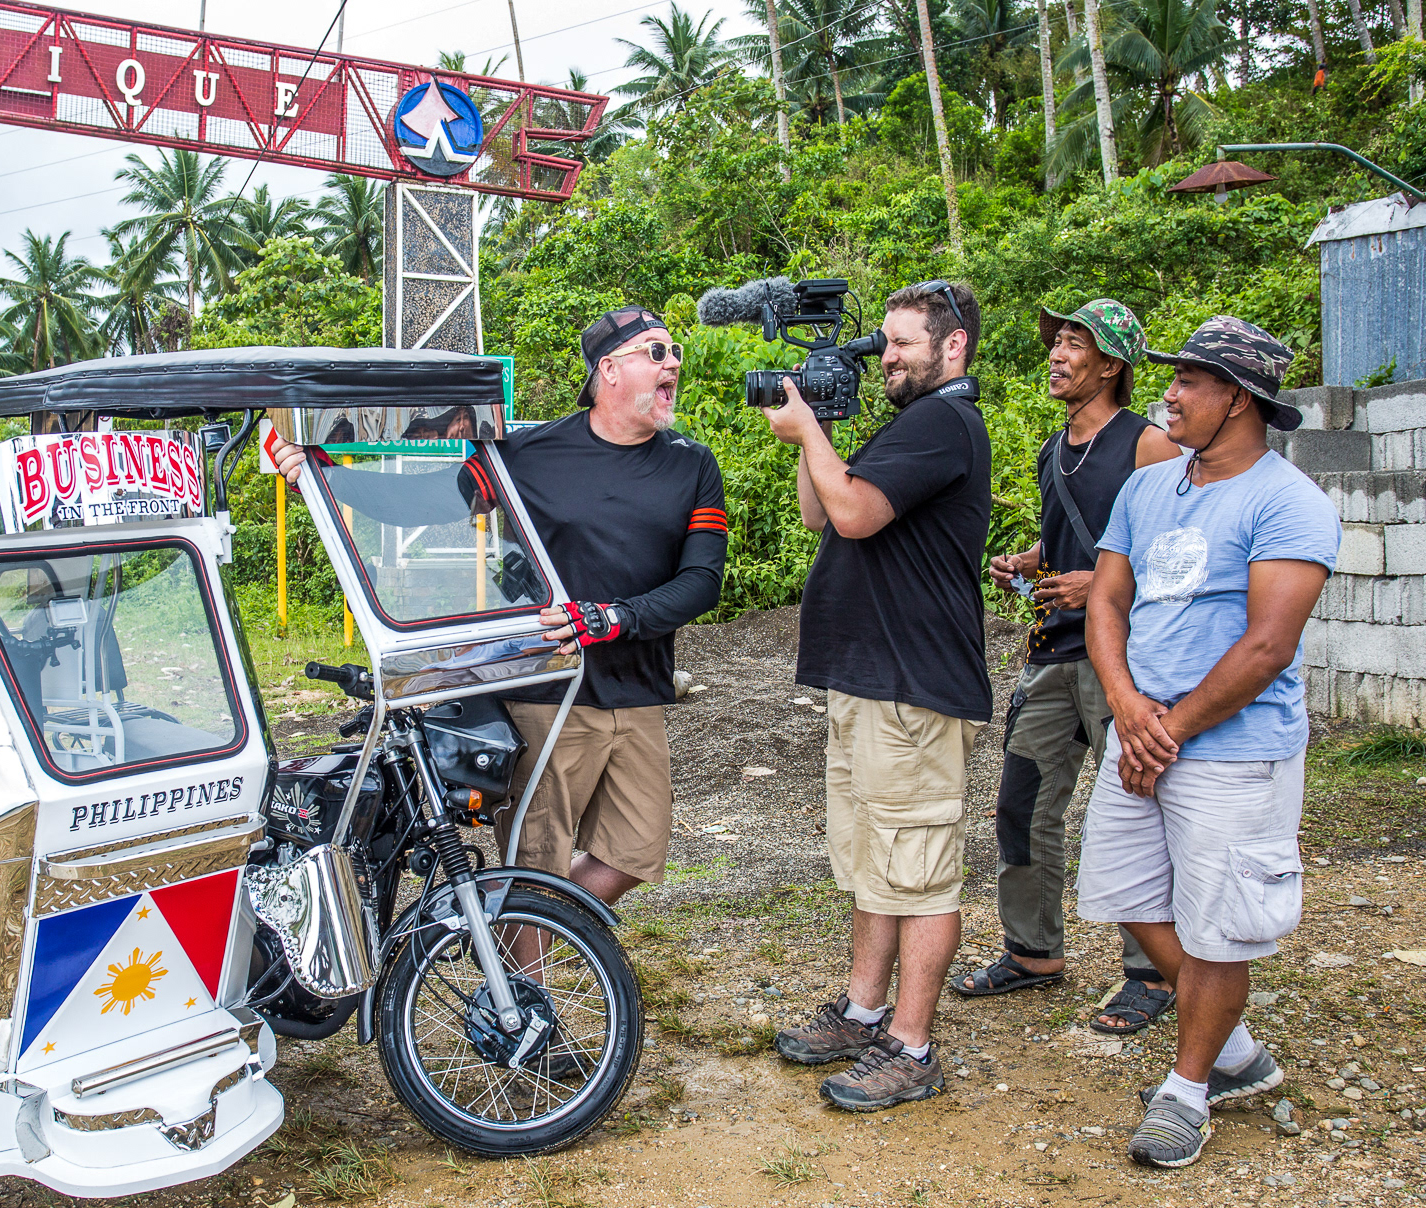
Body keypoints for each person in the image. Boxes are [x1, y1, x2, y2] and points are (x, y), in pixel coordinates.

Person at [273, 307, 727, 906]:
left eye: (674, 353)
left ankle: (546, 927)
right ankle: (521, 993)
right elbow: (429, 500)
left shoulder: (691, 463)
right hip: (550, 690)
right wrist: (326, 478)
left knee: (634, 853)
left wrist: (613, 618)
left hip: (640, 689)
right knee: (535, 859)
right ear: (609, 370)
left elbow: (701, 581)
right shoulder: (531, 453)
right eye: (657, 352)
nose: (674, 363)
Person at [1078, 316, 1338, 1169]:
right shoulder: (1149, 487)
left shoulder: (1288, 502)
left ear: (1238, 398)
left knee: (1219, 929)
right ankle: (1231, 1049)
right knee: (1127, 893)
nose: (1171, 394)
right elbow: (1108, 602)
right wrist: (1127, 706)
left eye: (1190, 380)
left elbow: (1268, 644)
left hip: (1232, 749)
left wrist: (1172, 727)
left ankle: (1188, 1091)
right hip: (1141, 733)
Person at [763, 280, 990, 1112]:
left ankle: (913, 1047)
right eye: (884, 342)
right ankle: (864, 1012)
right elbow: (818, 514)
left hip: (914, 689)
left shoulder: (945, 421)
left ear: (953, 344)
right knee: (873, 863)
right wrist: (811, 437)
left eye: (901, 343)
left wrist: (813, 431)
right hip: (871, 683)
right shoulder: (911, 423)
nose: (886, 356)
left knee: (920, 872)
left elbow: (853, 514)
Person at [954, 300, 1181, 1033]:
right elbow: (1074, 542)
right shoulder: (1056, 448)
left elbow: (1185, 553)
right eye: (1057, 342)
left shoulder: (1148, 444)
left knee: (1139, 810)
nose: (1056, 354)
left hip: (1126, 656)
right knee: (1021, 804)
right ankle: (1033, 951)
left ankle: (1151, 973)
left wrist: (1104, 584)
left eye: (1075, 344)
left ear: (1111, 366)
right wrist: (1032, 563)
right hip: (1054, 652)